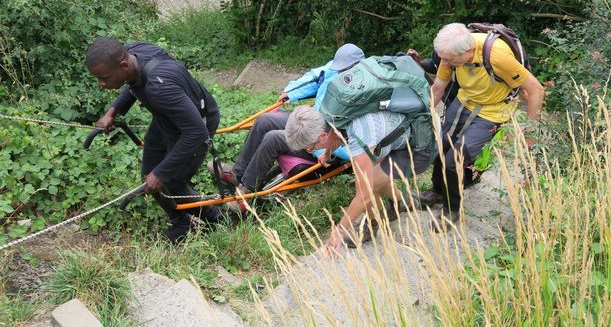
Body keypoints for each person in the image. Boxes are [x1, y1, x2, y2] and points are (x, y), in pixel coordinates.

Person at [86, 37, 223, 243]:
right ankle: (181, 222)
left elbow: (196, 133)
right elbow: (133, 84)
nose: (101, 84)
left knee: (170, 182)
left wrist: (161, 173)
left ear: (123, 65)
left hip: (196, 124)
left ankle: (218, 221)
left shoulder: (159, 88)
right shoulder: (134, 52)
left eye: (104, 77)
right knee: (148, 175)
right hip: (166, 117)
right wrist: (113, 111)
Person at [417, 23, 544, 232]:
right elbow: (438, 86)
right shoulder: (451, 54)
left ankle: (451, 210)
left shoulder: (497, 56)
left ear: (468, 53)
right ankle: (438, 191)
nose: (444, 63)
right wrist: (422, 115)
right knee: (441, 145)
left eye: (449, 60)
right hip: (464, 100)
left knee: (454, 160)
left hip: (492, 111)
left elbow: (535, 89)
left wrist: (530, 134)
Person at [219, 44, 365, 211]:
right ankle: (238, 175)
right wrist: (292, 92)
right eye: (338, 69)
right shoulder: (336, 69)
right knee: (265, 120)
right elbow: (315, 76)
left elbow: (357, 141)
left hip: (324, 140)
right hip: (313, 120)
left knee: (273, 138)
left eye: (343, 70)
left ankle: (246, 194)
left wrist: (327, 151)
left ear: (358, 66)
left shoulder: (362, 90)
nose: (339, 73)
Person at [285, 103, 432, 253]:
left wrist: (339, 231)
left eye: (310, 148)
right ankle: (402, 201)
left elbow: (364, 196)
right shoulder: (331, 112)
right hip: (400, 130)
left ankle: (372, 223)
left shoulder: (360, 139)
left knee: (366, 183)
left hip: (420, 144)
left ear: (322, 136)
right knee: (370, 175)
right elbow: (336, 133)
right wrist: (328, 153)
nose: (310, 151)